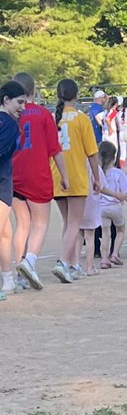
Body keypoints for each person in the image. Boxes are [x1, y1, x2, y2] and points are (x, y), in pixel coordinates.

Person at [11, 72, 68, 291]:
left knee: (22, 224)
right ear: (33, 90)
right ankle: (30, 261)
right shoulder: (43, 114)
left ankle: (19, 272)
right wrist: (65, 176)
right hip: (37, 173)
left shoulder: (10, 113)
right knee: (41, 222)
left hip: (15, 174)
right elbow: (55, 150)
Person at [51, 79, 101, 283]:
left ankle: (72, 264)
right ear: (76, 95)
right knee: (75, 223)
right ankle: (64, 262)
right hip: (76, 176)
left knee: (67, 223)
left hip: (56, 175)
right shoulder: (81, 119)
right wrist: (97, 178)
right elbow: (92, 153)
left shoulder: (53, 118)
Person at [0, 81, 26, 299]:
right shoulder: (9, 124)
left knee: (6, 234)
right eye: (19, 102)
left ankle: (8, 280)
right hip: (1, 184)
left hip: (4, 180)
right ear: (6, 100)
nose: (23, 107)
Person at [97, 140, 127, 267]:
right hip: (115, 206)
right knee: (120, 231)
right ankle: (115, 254)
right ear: (114, 157)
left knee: (105, 234)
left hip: (101, 207)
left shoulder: (98, 173)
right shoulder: (118, 173)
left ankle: (104, 259)